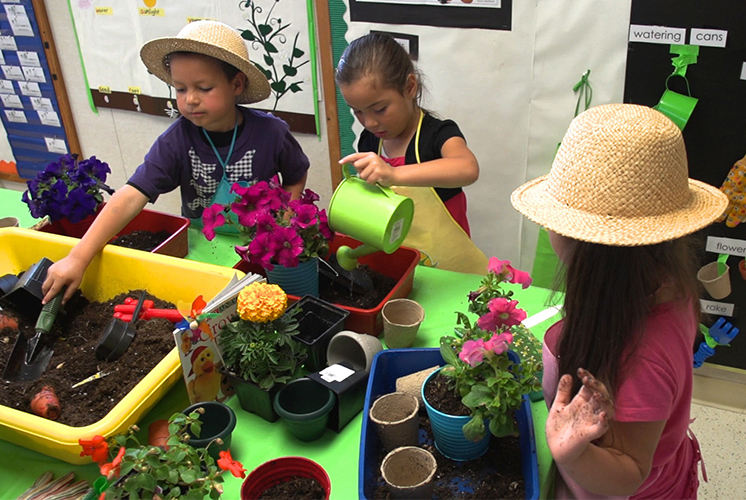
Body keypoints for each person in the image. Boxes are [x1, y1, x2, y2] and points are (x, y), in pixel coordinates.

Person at [511, 103, 727, 499]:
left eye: (554, 221)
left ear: (589, 248)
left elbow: (629, 473)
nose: (546, 227)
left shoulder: (642, 354)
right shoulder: (661, 282)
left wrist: (570, 453)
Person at [42, 20, 310, 304]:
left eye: (204, 88)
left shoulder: (271, 132)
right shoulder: (176, 141)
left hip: (261, 249)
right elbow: (131, 195)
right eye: (180, 89)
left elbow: (296, 174)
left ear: (237, 84)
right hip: (202, 249)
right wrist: (79, 256)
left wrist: (285, 217)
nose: (190, 100)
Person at [335, 33, 488, 274]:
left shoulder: (437, 134)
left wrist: (394, 173)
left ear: (409, 87)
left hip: (447, 271)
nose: (370, 123)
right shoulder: (370, 142)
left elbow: (468, 169)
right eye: (358, 112)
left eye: (380, 109)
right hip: (398, 267)